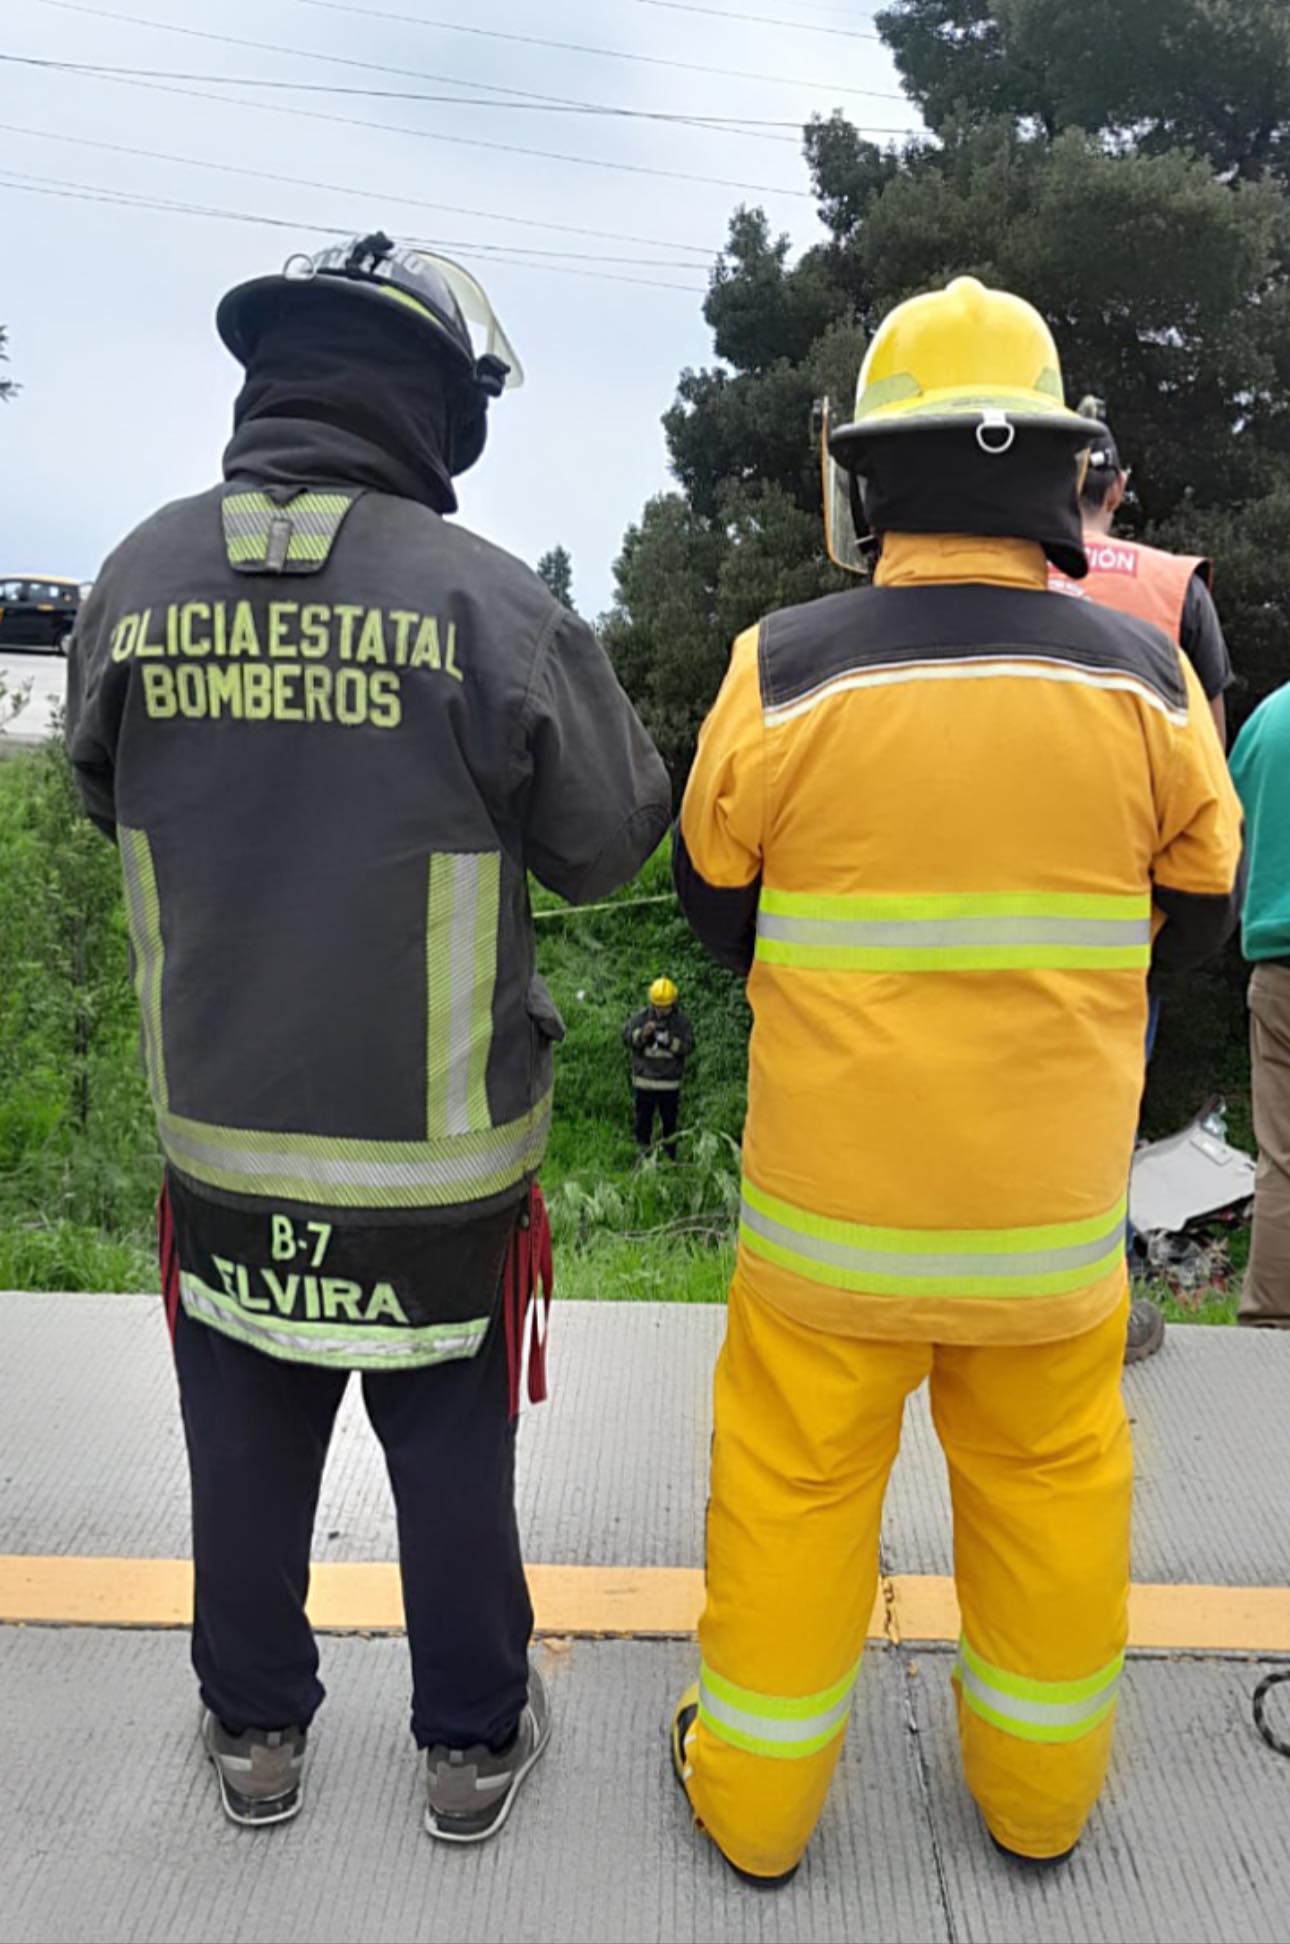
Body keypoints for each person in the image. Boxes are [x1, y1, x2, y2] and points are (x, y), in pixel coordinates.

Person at [64, 232, 670, 1839]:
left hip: (224, 1147)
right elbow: (612, 846)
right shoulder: (489, 602)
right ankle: (471, 1747)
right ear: (438, 412)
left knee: (242, 1456)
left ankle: (255, 1735)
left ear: (266, 380)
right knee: (450, 1468)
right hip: (437, 1172)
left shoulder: (130, 579)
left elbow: (101, 786)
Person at [670, 277, 1243, 1886]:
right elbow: (1194, 929)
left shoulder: (780, 669)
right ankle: (1038, 1808)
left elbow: (718, 912)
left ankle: (759, 1814)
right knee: (1051, 1508)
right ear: (1059, 475)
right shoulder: (1145, 684)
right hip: (1045, 1245)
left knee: (789, 1504)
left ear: (867, 478)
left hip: (824, 1240)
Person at [1053, 400, 1237, 1362]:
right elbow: (1206, 774)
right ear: (1119, 490)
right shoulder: (1176, 591)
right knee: (1106, 1113)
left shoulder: (1006, 573)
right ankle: (1100, 1308)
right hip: (1132, 923)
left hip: (993, 898)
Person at [1231, 684, 1290, 1329]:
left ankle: (1273, 1319)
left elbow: (1226, 827)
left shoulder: (1272, 717)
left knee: (1282, 1158)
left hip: (1279, 970)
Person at [623, 978, 695, 1161]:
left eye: (666, 1007)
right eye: (658, 1006)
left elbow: (688, 1047)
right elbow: (626, 1039)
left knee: (669, 1124)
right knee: (643, 1124)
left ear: (673, 1003)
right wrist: (642, 1034)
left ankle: (670, 1158)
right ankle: (643, 1157)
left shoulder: (681, 1023)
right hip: (644, 1082)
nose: (662, 1011)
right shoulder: (640, 1018)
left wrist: (670, 1041)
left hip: (669, 1084)